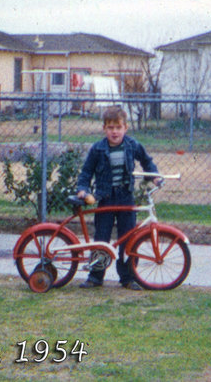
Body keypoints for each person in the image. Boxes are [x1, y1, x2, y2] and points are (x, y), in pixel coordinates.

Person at [76, 106, 160, 290]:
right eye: (110, 128)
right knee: (101, 239)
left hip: (126, 198)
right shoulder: (97, 149)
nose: (114, 132)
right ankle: (96, 276)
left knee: (129, 239)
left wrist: (154, 176)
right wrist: (82, 189)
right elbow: (86, 172)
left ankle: (129, 277)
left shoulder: (132, 145)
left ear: (125, 128)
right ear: (104, 129)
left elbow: (147, 161)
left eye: (118, 127)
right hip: (105, 198)